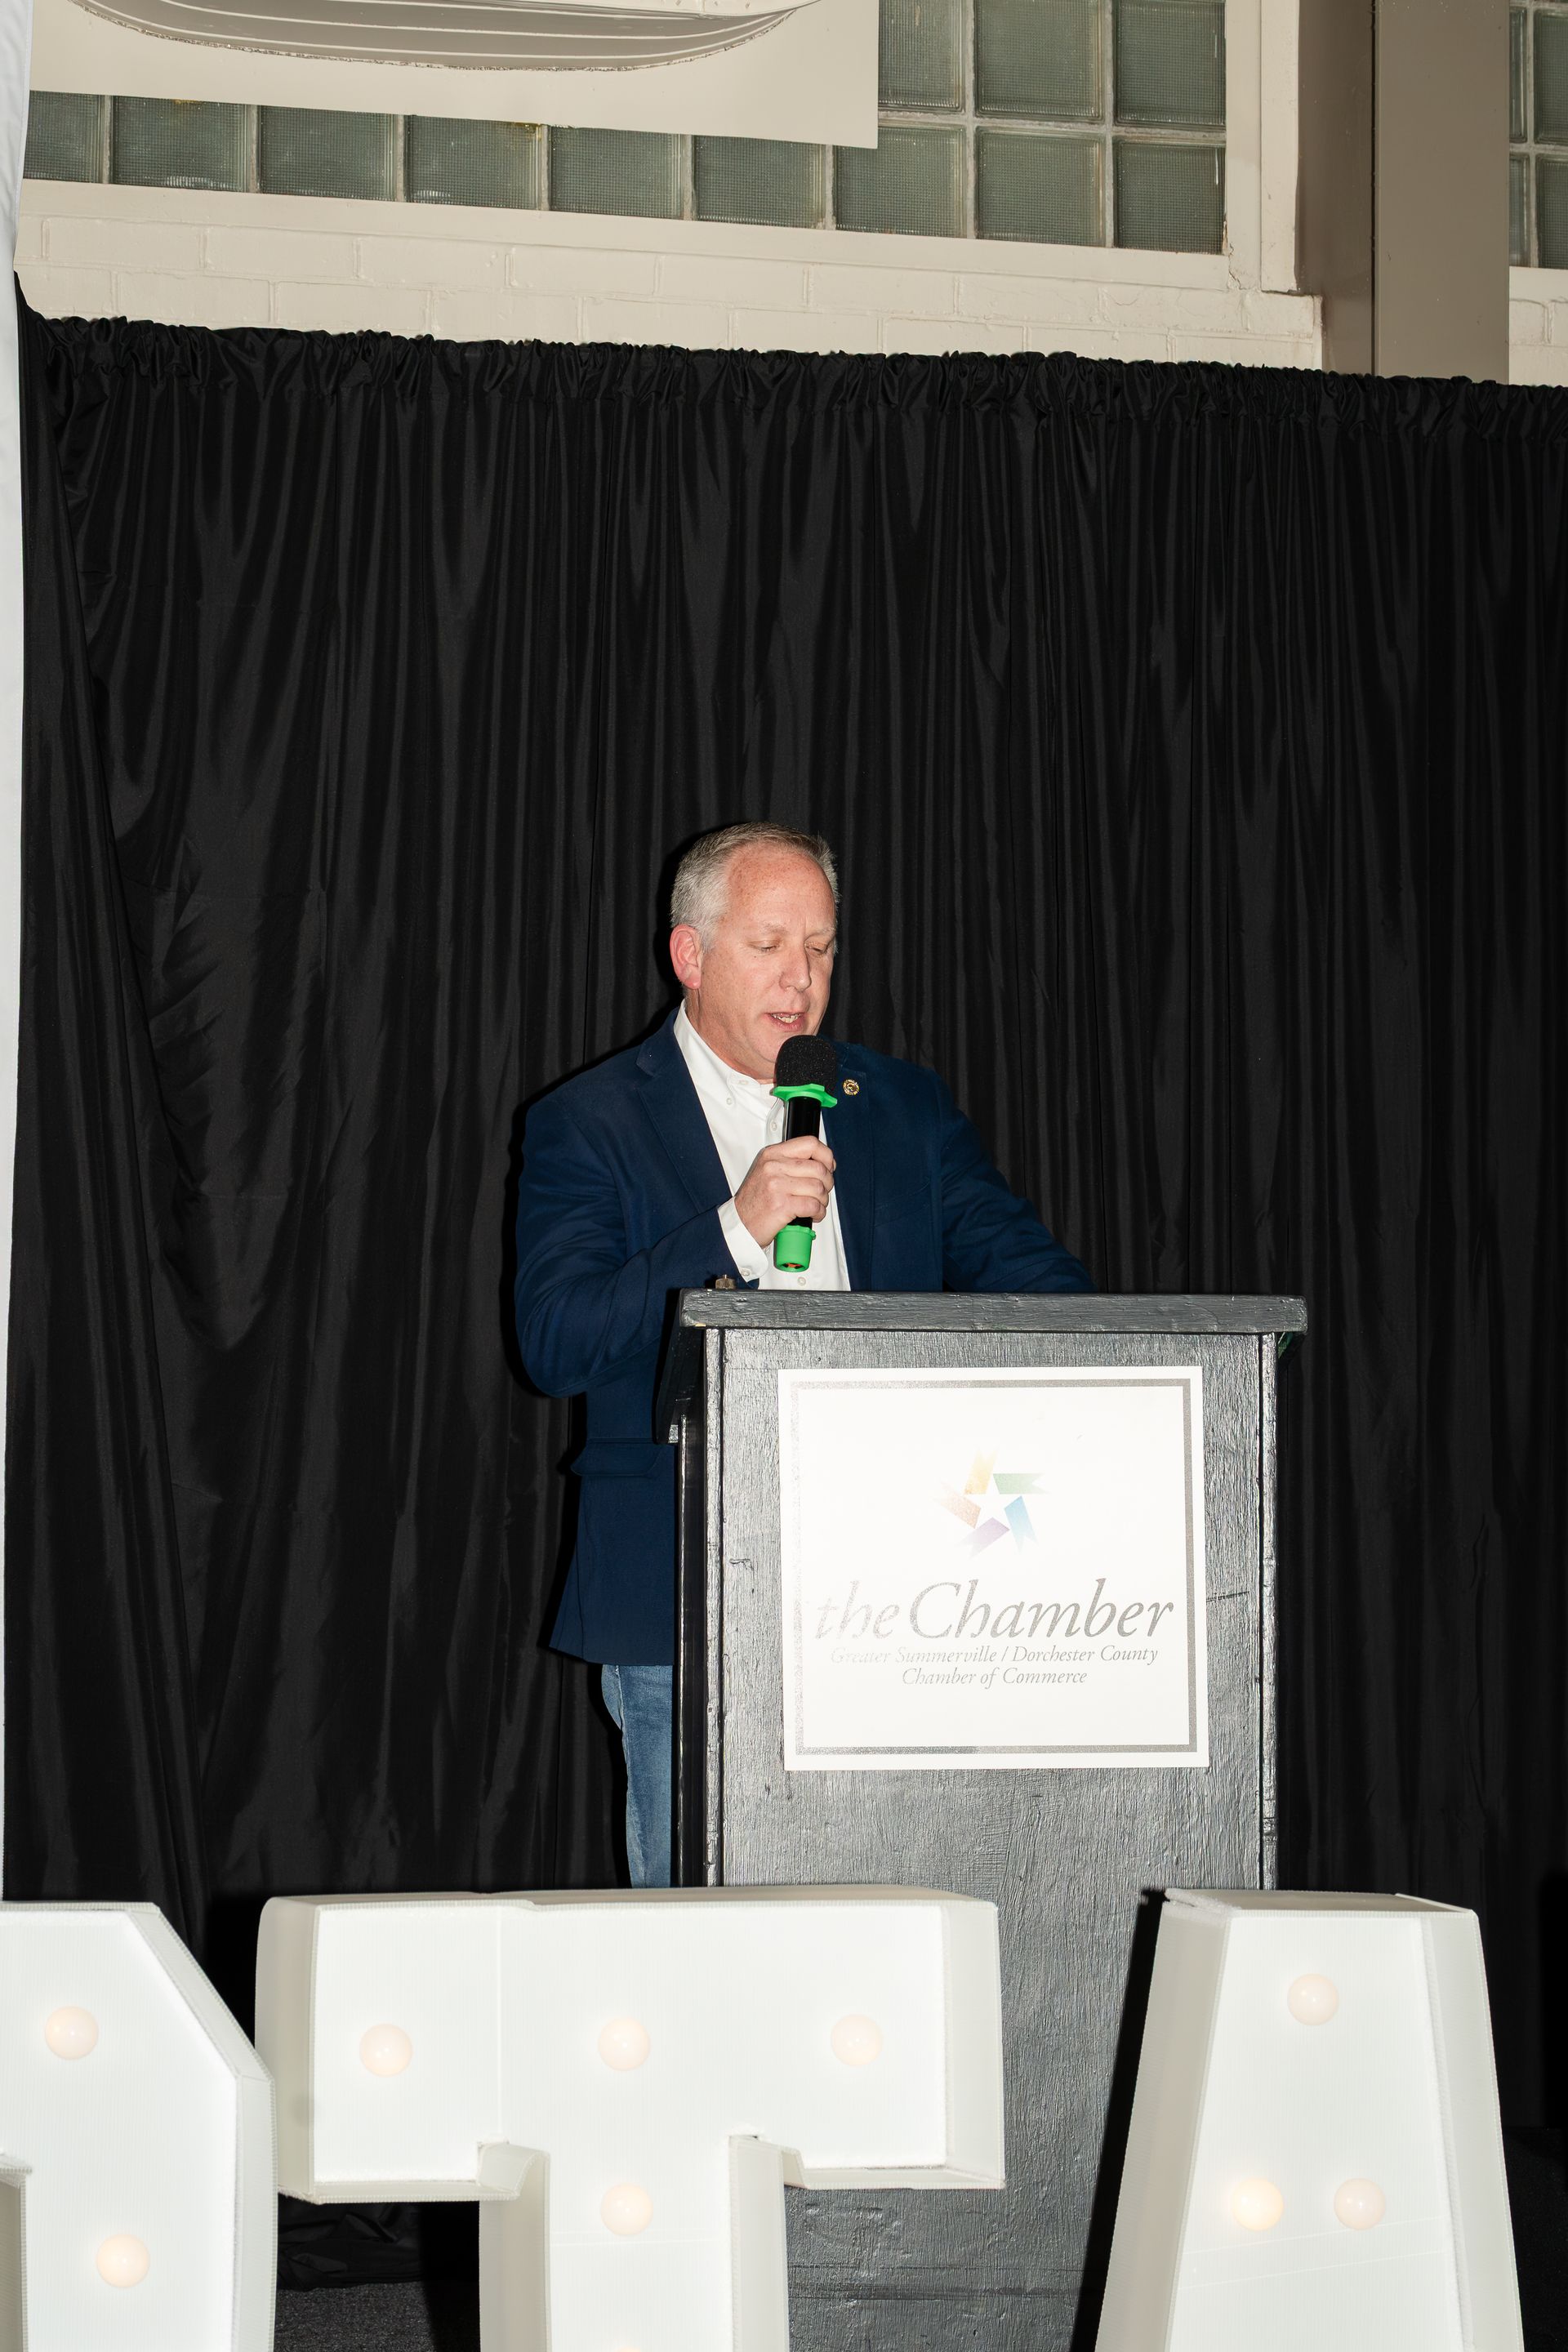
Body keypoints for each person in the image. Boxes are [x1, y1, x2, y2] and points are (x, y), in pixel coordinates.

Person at [514, 822, 1092, 1886]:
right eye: (770, 945)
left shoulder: (901, 1108)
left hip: (902, 1588)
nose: (802, 979)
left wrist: (1124, 1369)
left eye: (821, 948)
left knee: (879, 1905)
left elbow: (1037, 1280)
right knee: (703, 1924)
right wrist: (731, 1231)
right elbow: (555, 1341)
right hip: (684, 1590)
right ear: (690, 955)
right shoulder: (591, 1121)